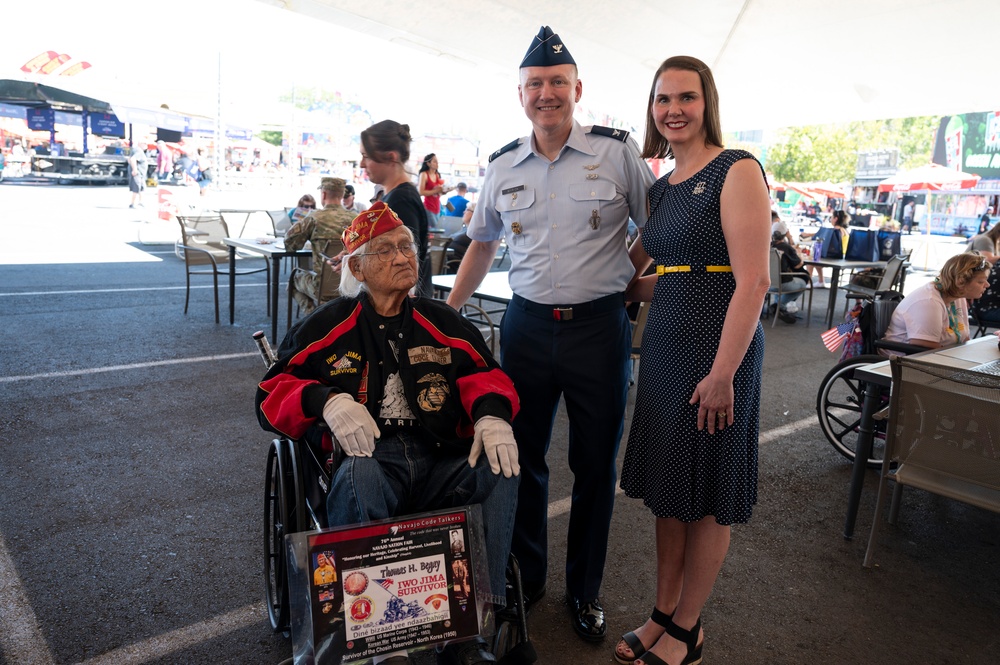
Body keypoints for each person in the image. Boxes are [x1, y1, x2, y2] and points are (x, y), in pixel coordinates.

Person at [445, 25, 656, 641]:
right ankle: (527, 578)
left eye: (557, 83)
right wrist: (449, 317)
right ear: (520, 95)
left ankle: (585, 591)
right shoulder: (502, 165)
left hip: (599, 330)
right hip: (528, 330)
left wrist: (624, 277)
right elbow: (482, 244)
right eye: (535, 85)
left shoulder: (617, 155)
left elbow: (654, 230)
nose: (546, 94)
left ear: (577, 89)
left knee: (594, 465)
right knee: (521, 459)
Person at [256, 202, 519, 665]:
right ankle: (377, 639)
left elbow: (486, 375)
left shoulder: (443, 322)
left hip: (439, 459)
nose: (403, 258)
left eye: (407, 247)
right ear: (356, 265)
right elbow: (272, 393)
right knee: (361, 473)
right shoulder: (326, 325)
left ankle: (474, 628)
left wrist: (492, 415)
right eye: (386, 251)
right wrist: (326, 400)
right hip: (371, 461)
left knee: (502, 467)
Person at [615, 55, 771, 665]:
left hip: (717, 351)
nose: (674, 110)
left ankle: (688, 626)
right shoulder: (662, 186)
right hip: (666, 347)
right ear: (652, 109)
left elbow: (751, 281)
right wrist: (620, 287)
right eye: (663, 100)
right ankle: (661, 611)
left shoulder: (737, 170)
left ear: (707, 102)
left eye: (686, 97)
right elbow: (664, 272)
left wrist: (725, 373)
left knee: (705, 491)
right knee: (669, 488)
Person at [359, 120, 433, 298]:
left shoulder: (400, 201)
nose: (362, 164)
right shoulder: (396, 197)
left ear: (391, 157)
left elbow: (403, 264)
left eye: (366, 156)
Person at [881, 252, 990, 351]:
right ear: (961, 282)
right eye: (981, 281)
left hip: (942, 357)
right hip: (905, 363)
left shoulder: (958, 296)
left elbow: (964, 338)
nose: (987, 285)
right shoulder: (929, 301)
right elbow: (926, 350)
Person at [284, 177, 354, 314]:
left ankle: (312, 316)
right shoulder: (356, 219)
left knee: (294, 280)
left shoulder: (314, 218)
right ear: (341, 195)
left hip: (321, 287)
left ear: (323, 194)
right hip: (350, 287)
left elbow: (290, 245)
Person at [768, 222, 809, 324]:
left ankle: (777, 306)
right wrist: (801, 258)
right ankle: (779, 306)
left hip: (767, 284)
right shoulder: (786, 247)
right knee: (803, 283)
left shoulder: (767, 246)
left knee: (784, 280)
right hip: (783, 283)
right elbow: (797, 265)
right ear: (785, 233)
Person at [418, 153, 451, 227]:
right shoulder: (424, 174)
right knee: (436, 229)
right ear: (428, 163)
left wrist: (444, 191)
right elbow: (420, 192)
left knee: (437, 229)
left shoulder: (437, 175)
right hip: (428, 206)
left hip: (437, 206)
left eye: (437, 161)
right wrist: (436, 191)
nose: (437, 163)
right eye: (434, 161)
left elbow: (438, 192)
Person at [127, 140, 148, 208]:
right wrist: (135, 170)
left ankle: (140, 202)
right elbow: (132, 159)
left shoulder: (136, 150)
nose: (146, 145)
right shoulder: (138, 150)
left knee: (141, 188)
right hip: (138, 173)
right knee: (137, 188)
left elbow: (129, 159)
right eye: (144, 143)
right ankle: (132, 203)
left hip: (140, 173)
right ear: (140, 143)